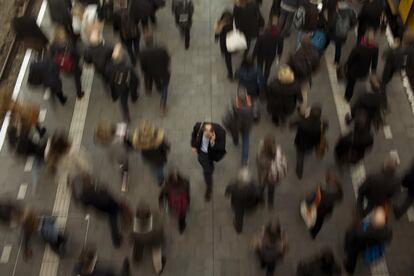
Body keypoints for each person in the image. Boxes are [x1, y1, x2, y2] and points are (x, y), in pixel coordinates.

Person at [70, 174, 131, 248]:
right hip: (109, 207)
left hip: (103, 207)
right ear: (84, 187)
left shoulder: (82, 195)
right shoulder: (89, 196)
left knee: (115, 216)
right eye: (86, 181)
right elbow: (105, 199)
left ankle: (117, 238)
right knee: (113, 221)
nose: (88, 180)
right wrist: (104, 191)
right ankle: (116, 241)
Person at [343, 207, 392, 274]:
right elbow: (387, 240)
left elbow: (349, 238)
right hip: (369, 244)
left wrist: (347, 248)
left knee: (352, 257)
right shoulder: (388, 230)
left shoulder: (361, 230)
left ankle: (349, 269)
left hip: (358, 245)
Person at [191, 122, 226, 201]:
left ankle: (211, 168)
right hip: (202, 153)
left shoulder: (221, 132)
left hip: (212, 153)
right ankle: (209, 188)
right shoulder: (199, 126)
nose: (206, 135)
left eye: (208, 134)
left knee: (210, 167)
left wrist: (212, 142)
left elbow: (221, 148)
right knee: (207, 171)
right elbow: (193, 134)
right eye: (205, 132)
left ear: (212, 132)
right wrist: (193, 145)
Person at [291, 104, 328, 179]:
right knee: (308, 151)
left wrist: (302, 116)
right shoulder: (321, 124)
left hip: (300, 143)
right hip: (312, 144)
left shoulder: (302, 122)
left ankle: (299, 172)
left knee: (300, 157)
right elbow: (323, 131)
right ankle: (307, 153)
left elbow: (291, 125)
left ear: (310, 114)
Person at [105, 44, 140, 122]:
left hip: (119, 87)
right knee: (133, 92)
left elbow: (109, 78)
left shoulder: (109, 68)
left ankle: (126, 116)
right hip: (129, 85)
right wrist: (137, 82)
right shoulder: (127, 67)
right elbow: (134, 77)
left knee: (123, 102)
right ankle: (134, 98)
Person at [95, 120, 132, 192]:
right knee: (125, 170)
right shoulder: (117, 139)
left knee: (122, 170)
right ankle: (124, 185)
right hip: (122, 158)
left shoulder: (103, 143)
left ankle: (124, 185)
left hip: (116, 159)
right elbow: (126, 131)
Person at [139, 32, 171, 114]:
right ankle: (162, 104)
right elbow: (167, 59)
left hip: (150, 71)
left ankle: (156, 87)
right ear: (153, 39)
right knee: (165, 87)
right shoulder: (161, 48)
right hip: (163, 71)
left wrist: (144, 71)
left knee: (155, 78)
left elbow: (142, 65)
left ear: (145, 41)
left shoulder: (142, 52)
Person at [288, 35, 320, 115]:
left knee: (291, 92)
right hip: (305, 78)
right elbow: (316, 68)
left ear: (301, 44)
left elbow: (289, 66)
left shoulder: (297, 54)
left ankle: (290, 106)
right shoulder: (315, 54)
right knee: (303, 93)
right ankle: (302, 110)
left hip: (294, 77)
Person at [49, 26, 84, 99]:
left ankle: (79, 93)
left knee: (72, 73)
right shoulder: (68, 44)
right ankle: (79, 93)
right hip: (73, 64)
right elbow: (76, 54)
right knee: (77, 78)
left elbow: (51, 57)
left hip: (63, 66)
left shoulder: (53, 45)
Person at [225, 168, 264, 233]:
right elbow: (260, 196)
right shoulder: (255, 188)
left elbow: (227, 193)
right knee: (245, 213)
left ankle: (238, 230)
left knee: (239, 218)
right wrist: (262, 203)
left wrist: (228, 195)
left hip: (237, 206)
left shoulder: (232, 185)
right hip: (250, 206)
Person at [344, 29, 378, 102]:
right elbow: (374, 62)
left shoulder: (358, 48)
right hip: (364, 70)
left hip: (354, 70)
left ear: (365, 38)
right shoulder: (375, 48)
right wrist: (373, 71)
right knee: (352, 82)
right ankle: (348, 97)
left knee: (351, 84)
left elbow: (350, 59)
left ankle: (348, 97)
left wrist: (346, 66)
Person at [132, 201, 166, 274]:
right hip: (154, 241)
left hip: (140, 240)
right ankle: (158, 269)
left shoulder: (135, 225)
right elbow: (161, 232)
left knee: (137, 248)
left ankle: (137, 259)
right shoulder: (155, 225)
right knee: (156, 255)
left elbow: (132, 236)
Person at [305, 172, 343, 239]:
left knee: (315, 219)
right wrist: (336, 182)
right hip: (325, 213)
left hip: (318, 210)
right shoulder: (334, 196)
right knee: (318, 223)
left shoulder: (322, 192)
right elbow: (340, 194)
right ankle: (313, 233)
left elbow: (311, 199)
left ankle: (312, 228)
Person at [133, 120, 170, 186]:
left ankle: (154, 173)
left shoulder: (140, 141)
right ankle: (160, 181)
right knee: (159, 170)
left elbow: (136, 146)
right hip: (159, 159)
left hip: (147, 158)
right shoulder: (159, 141)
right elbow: (167, 147)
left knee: (152, 167)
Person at [222, 88, 254, 165]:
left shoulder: (232, 106)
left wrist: (227, 127)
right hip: (246, 127)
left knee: (235, 135)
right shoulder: (251, 107)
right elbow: (256, 117)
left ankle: (235, 142)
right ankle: (244, 159)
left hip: (235, 127)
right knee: (245, 141)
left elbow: (226, 119)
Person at [256, 135, 287, 208]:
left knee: (261, 188)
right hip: (274, 177)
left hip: (264, 177)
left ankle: (261, 202)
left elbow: (259, 166)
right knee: (271, 190)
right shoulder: (279, 151)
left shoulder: (261, 157)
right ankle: (270, 204)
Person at [324, 0, 357, 65]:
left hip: (333, 32)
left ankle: (320, 51)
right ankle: (336, 62)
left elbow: (331, 24)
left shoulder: (336, 12)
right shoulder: (351, 12)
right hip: (343, 34)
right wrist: (348, 28)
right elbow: (354, 23)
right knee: (338, 48)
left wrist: (327, 27)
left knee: (327, 41)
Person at [253, 16, 284, 81]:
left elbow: (257, 46)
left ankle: (259, 78)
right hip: (271, 55)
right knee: (268, 68)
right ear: (278, 26)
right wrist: (279, 55)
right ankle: (265, 79)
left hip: (261, 54)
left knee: (260, 66)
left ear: (269, 24)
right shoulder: (280, 36)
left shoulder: (262, 34)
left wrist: (253, 56)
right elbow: (280, 48)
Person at [214, 11, 235, 80]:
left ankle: (230, 74)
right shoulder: (233, 23)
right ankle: (230, 74)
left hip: (225, 44)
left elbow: (217, 33)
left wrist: (216, 38)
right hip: (231, 42)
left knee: (228, 59)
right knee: (228, 57)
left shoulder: (221, 24)